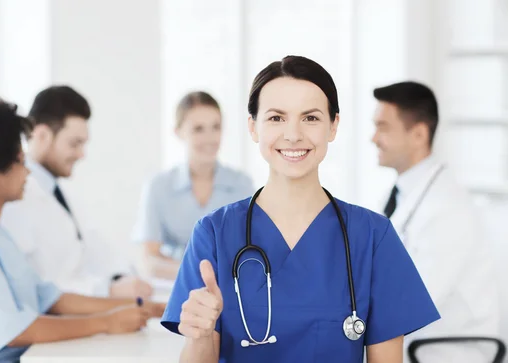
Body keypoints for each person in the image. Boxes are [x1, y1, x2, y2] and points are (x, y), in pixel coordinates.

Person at [160, 56, 440, 362]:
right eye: (276, 118)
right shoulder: (213, 234)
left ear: (333, 126)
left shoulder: (373, 237)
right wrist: (200, 335)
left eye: (311, 118)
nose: (293, 135)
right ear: (253, 127)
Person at [0, 96, 164, 363]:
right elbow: (13, 331)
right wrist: (106, 322)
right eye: (21, 162)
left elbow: (50, 299)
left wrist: (142, 308)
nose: (27, 173)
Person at [371, 81, 500, 361]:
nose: (374, 138)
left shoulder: (447, 209)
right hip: (413, 345)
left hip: (443, 352)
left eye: (383, 127)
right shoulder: (404, 194)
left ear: (418, 134)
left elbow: (414, 302)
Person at [0, 85, 153, 299]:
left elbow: (93, 249)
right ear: (42, 135)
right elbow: (34, 285)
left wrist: (120, 278)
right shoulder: (14, 199)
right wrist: (106, 290)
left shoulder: (59, 192)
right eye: (75, 144)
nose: (82, 155)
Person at [132, 91, 254, 280]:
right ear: (178, 132)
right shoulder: (158, 186)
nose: (210, 138)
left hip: (230, 289)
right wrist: (202, 273)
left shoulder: (242, 185)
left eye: (216, 127)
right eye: (198, 129)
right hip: (174, 287)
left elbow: (251, 250)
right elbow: (149, 260)